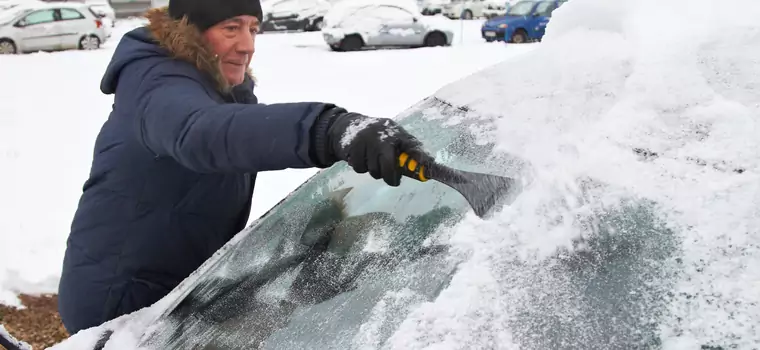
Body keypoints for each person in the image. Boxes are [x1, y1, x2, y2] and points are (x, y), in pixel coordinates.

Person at [57, 0, 434, 334]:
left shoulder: (218, 87)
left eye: (254, 28)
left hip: (177, 291)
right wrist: (328, 129)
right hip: (119, 303)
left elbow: (238, 150)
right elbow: (201, 134)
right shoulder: (156, 82)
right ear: (191, 29)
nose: (248, 45)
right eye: (231, 28)